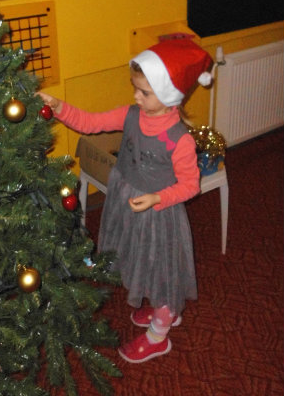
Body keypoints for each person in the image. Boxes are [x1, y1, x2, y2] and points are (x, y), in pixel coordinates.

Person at [38, 38, 213, 363]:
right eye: (135, 88)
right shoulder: (131, 115)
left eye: (144, 92)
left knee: (161, 269)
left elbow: (191, 185)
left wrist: (158, 197)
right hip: (126, 204)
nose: (136, 96)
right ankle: (162, 308)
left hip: (159, 214)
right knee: (138, 257)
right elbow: (90, 123)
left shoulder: (179, 140)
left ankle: (160, 333)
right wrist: (59, 106)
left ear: (168, 95)